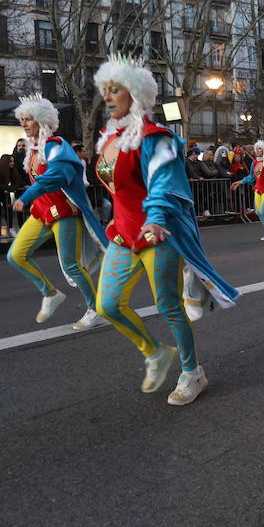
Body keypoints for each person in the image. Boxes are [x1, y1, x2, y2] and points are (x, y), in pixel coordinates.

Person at [91, 56, 239, 406]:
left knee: (168, 306)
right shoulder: (108, 139)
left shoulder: (155, 139)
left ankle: (192, 372)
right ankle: (155, 352)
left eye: (116, 90)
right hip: (123, 235)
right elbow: (118, 189)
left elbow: (162, 183)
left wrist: (155, 218)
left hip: (157, 232)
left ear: (136, 95)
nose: (108, 97)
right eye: (105, 91)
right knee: (108, 305)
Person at [8, 93, 108, 329]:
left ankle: (95, 309)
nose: (23, 123)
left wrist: (26, 197)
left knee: (71, 266)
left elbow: (56, 176)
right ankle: (50, 294)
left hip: (63, 211)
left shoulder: (56, 145)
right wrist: (31, 199)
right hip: (41, 211)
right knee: (15, 255)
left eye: (28, 119)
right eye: (21, 119)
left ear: (41, 121)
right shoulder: (32, 150)